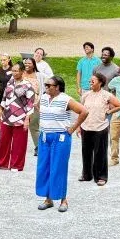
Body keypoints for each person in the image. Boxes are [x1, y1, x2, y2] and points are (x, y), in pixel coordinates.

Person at [35, 76, 88, 212]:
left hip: (60, 137)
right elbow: (40, 110)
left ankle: (63, 199)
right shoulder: (44, 98)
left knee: (58, 168)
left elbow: (84, 111)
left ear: (57, 87)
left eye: (49, 85)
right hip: (45, 137)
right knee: (44, 168)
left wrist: (73, 128)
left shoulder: (65, 99)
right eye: (45, 85)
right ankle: (48, 199)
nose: (46, 87)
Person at [79, 72, 120, 186]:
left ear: (100, 82)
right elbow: (81, 111)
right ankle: (86, 174)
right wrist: (79, 127)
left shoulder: (106, 95)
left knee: (100, 153)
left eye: (93, 81)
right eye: (90, 81)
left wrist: (108, 112)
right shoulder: (86, 95)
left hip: (100, 127)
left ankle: (101, 176)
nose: (90, 82)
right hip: (86, 126)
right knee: (86, 152)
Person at [0, 63, 36, 171]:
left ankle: (16, 165)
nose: (14, 73)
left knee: (19, 143)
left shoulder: (27, 85)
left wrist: (27, 119)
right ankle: (1, 162)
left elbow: (30, 103)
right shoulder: (10, 83)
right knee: (3, 140)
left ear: (22, 71)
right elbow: (4, 98)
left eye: (16, 71)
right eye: (13, 70)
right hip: (6, 116)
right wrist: (0, 112)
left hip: (20, 117)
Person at [21, 57, 47, 157]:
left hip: (35, 103)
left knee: (34, 126)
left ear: (34, 65)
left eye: (29, 63)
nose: (27, 65)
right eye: (26, 63)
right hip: (21, 104)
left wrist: (40, 100)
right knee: (20, 126)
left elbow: (47, 86)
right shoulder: (21, 74)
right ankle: (19, 147)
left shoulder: (39, 75)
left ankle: (38, 146)